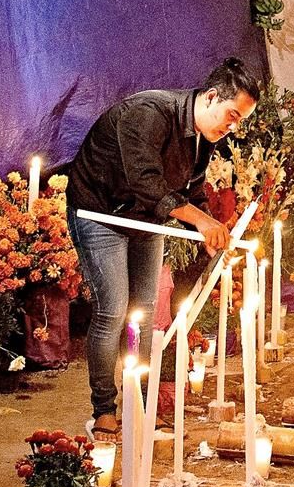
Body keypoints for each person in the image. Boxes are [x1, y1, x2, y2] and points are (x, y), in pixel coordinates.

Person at [66, 57, 260, 441]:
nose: (232, 127)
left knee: (144, 314)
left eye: (240, 120)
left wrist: (209, 229)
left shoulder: (204, 138)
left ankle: (139, 402)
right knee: (114, 310)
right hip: (100, 213)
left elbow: (193, 189)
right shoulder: (149, 112)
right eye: (231, 115)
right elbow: (145, 180)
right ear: (209, 98)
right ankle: (104, 410)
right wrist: (200, 221)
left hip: (146, 221)